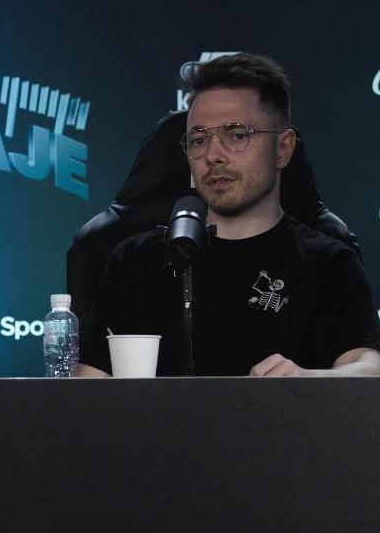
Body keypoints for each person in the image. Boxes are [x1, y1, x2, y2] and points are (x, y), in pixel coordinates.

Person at [78, 53, 380, 377]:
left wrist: (305, 379)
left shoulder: (327, 264)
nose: (213, 156)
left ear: (283, 148)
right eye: (198, 140)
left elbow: (368, 368)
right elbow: (87, 385)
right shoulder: (135, 262)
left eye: (237, 135)